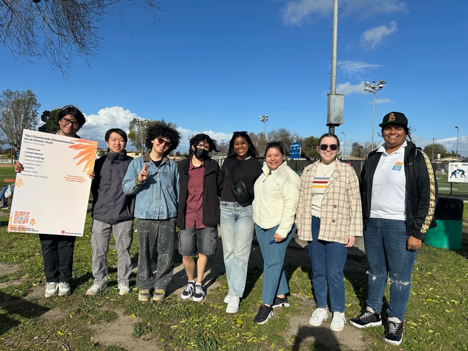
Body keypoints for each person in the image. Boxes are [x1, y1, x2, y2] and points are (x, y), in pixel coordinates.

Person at [349, 112, 437, 346]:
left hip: (401, 226)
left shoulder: (416, 156)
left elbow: (428, 196)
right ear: (382, 131)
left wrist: (418, 232)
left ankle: (396, 318)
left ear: (406, 131)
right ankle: (373, 312)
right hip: (373, 223)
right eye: (388, 128)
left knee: (399, 277)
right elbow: (364, 191)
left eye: (398, 128)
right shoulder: (373, 156)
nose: (392, 132)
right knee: (375, 271)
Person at [15, 105, 86, 297]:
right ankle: (50, 280)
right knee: (47, 244)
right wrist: (21, 167)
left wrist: (90, 175)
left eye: (75, 123)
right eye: (67, 120)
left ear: (79, 126)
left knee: (66, 243)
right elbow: (29, 166)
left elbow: (85, 175)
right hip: (44, 201)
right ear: (60, 121)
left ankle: (64, 280)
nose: (70, 125)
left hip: (70, 202)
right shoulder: (41, 142)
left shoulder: (84, 149)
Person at [296, 133, 362, 332]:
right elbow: (302, 200)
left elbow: (355, 202)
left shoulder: (346, 171)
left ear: (338, 149)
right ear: (318, 149)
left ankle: (339, 310)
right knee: (317, 269)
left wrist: (353, 231)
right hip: (313, 224)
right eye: (324, 146)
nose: (328, 150)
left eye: (332, 147)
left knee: (334, 271)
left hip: (338, 225)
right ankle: (321, 308)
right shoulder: (308, 171)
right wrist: (301, 223)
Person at [122, 123, 180, 302]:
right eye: (160, 140)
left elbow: (177, 192)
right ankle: (144, 285)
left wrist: (175, 212)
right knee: (145, 253)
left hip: (167, 216)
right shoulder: (137, 163)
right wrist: (138, 180)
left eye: (167, 143)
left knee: (166, 253)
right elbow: (126, 188)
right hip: (145, 216)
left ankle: (161, 285)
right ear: (153, 140)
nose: (163, 145)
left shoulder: (172, 166)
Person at [252, 141, 300, 324]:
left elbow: (291, 206)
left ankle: (267, 306)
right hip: (262, 224)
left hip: (277, 227)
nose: (272, 158)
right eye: (269, 155)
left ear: (283, 157)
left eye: (276, 155)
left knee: (271, 264)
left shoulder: (289, 176)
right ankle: (280, 295)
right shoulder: (266, 173)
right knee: (272, 262)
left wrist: (282, 230)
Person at [86, 129, 135, 296]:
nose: (117, 143)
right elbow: (89, 188)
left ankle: (123, 282)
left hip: (124, 214)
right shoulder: (98, 163)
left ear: (125, 143)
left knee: (124, 250)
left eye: (121, 140)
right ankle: (99, 281)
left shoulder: (132, 163)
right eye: (113, 139)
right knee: (99, 251)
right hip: (101, 214)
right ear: (107, 143)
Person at [177, 134, 223, 302]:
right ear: (192, 146)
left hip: (207, 215)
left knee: (204, 252)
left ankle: (199, 283)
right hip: (187, 216)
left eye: (206, 146)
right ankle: (190, 282)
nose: (202, 148)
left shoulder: (213, 166)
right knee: (187, 253)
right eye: (200, 145)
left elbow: (222, 187)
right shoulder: (181, 166)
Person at [220, 131, 262, 313]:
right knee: (228, 251)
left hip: (246, 210)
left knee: (241, 253)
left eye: (243, 143)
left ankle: (236, 295)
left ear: (248, 144)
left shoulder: (255, 164)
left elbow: (261, 188)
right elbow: (220, 183)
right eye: (236, 143)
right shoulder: (228, 162)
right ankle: (233, 288)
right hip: (226, 208)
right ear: (233, 145)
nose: (240, 146)